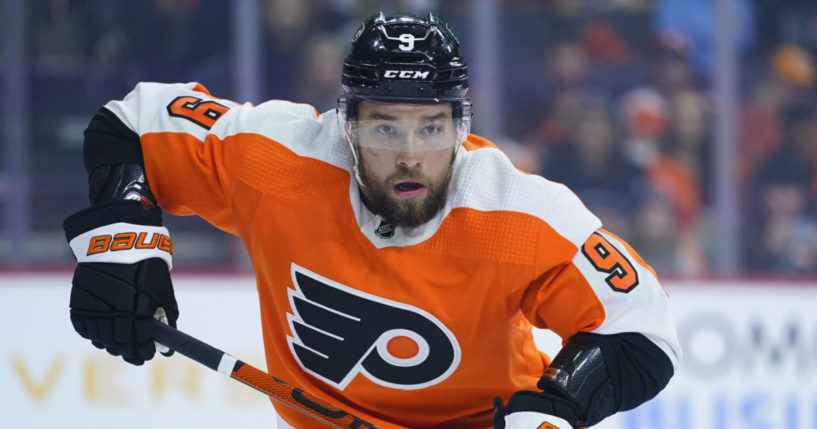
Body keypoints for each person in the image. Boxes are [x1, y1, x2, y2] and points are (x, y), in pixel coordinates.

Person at [63, 12, 680, 429]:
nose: (411, 152)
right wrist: (121, 247)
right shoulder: (282, 157)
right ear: (346, 125)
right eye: (385, 126)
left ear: (461, 127)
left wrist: (555, 409)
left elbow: (642, 326)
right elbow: (134, 121)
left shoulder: (519, 212)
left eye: (432, 127)